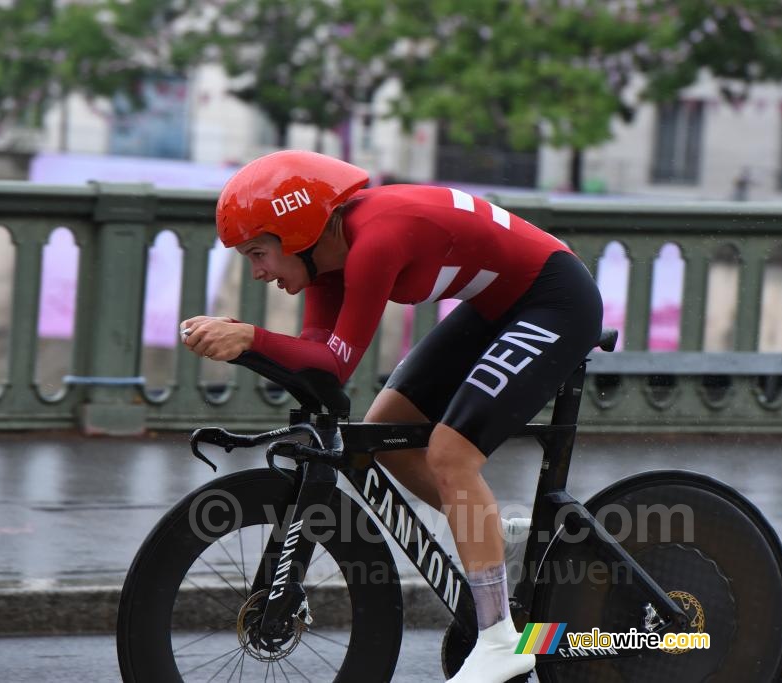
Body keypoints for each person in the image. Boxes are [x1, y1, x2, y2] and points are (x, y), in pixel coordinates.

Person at [181, 150, 602, 683]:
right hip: (500, 304)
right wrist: (250, 344)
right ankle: (493, 536)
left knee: (452, 453)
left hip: (556, 300)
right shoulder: (327, 258)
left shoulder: (373, 243)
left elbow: (334, 363)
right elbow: (318, 359)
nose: (258, 271)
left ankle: (501, 639)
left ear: (298, 232)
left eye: (259, 252)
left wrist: (249, 339)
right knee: (387, 435)